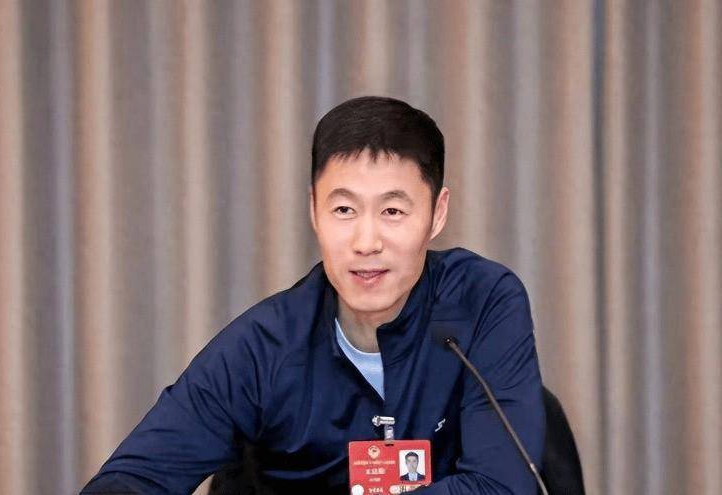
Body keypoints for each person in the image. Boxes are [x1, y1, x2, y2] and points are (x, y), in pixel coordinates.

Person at [80, 96, 545, 494]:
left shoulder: (481, 302)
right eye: (343, 209)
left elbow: (503, 486)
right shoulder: (267, 346)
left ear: (437, 214)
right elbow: (131, 478)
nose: (366, 241)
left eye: (392, 211)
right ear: (313, 211)